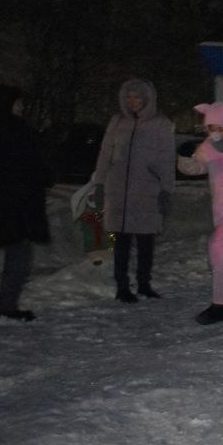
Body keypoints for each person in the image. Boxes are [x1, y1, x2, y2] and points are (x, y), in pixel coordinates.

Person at [92, 79, 175, 302]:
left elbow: (167, 160)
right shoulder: (117, 122)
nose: (132, 101)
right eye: (128, 97)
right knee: (121, 241)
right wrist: (99, 183)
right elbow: (105, 155)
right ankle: (122, 286)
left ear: (147, 99)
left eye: (137, 97)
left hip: (147, 190)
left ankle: (144, 283)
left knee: (146, 241)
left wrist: (166, 189)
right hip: (118, 190)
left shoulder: (161, 124)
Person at [0, 85, 51, 321]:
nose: (21, 108)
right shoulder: (16, 131)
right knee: (19, 255)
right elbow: (34, 166)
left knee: (16, 253)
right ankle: (6, 304)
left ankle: (5, 302)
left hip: (2, 205)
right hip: (19, 204)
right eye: (17, 103)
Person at [177, 102, 223, 324]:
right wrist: (185, 157)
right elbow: (195, 167)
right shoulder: (208, 147)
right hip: (221, 211)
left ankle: (221, 305)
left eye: (222, 128)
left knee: (219, 249)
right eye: (212, 128)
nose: (217, 134)